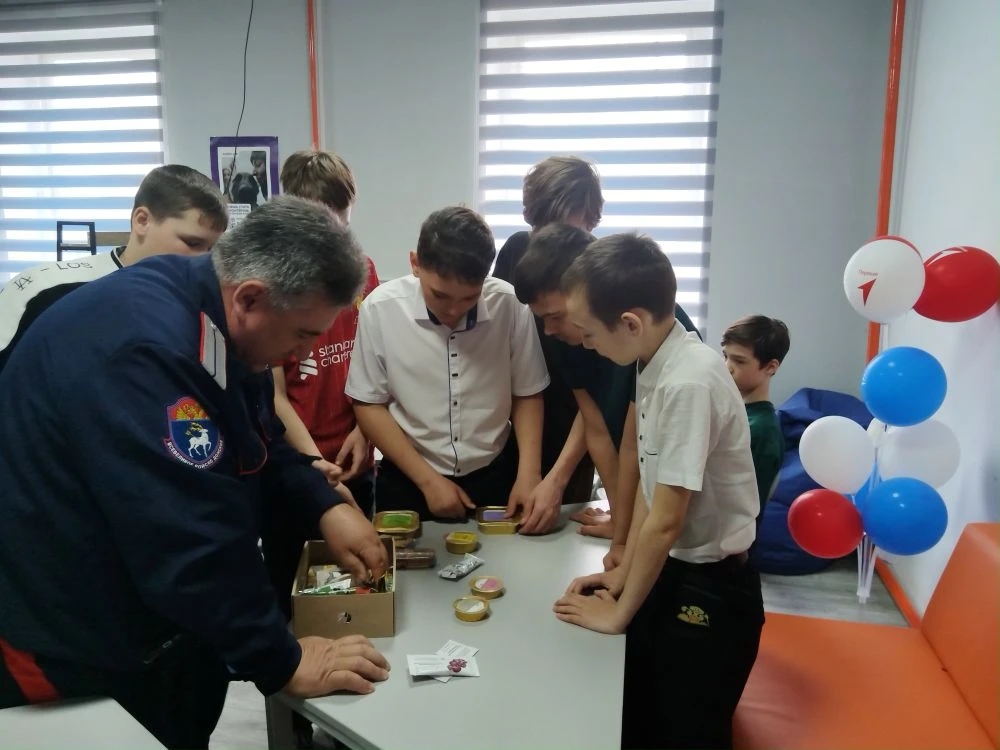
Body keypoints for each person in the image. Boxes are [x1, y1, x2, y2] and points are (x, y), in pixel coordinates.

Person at [0, 197, 391, 750]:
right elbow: (190, 538)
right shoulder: (146, 349)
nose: (303, 352)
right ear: (250, 297)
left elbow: (255, 435)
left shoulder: (215, 309)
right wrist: (281, 660)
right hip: (76, 641)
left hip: (160, 623)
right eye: (304, 334)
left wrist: (324, 503)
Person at [554, 233, 764, 750]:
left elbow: (668, 519)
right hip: (678, 568)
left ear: (631, 323)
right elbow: (654, 481)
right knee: (638, 708)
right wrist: (624, 571)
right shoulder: (654, 361)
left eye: (588, 332)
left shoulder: (688, 382)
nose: (585, 343)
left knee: (682, 730)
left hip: (714, 587)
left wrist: (618, 613)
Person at [346, 206, 550, 523]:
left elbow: (528, 393)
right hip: (408, 477)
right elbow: (369, 404)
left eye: (469, 298)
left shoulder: (508, 304)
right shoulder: (381, 309)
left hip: (496, 475)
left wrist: (529, 474)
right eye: (440, 296)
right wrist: (428, 481)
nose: (454, 310)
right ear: (415, 264)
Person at [0, 164, 228, 374]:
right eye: (192, 243)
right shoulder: (43, 289)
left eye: (211, 249)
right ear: (142, 221)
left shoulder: (204, 304)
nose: (204, 261)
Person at [493, 156, 605, 510]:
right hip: (515, 423)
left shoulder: (601, 272)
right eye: (540, 227)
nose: (549, 240)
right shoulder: (516, 250)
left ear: (590, 220)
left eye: (563, 226)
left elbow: (596, 404)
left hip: (575, 427)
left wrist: (558, 477)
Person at [272, 150, 380, 516]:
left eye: (342, 225)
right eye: (321, 229)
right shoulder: (273, 282)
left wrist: (366, 431)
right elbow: (274, 394)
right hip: (297, 461)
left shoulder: (364, 271)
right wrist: (314, 461)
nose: (334, 241)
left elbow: (375, 367)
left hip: (356, 456)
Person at [721, 315, 790, 523]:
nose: (727, 367)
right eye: (725, 356)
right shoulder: (735, 412)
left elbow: (745, 511)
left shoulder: (762, 431)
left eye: (739, 361)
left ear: (771, 367)